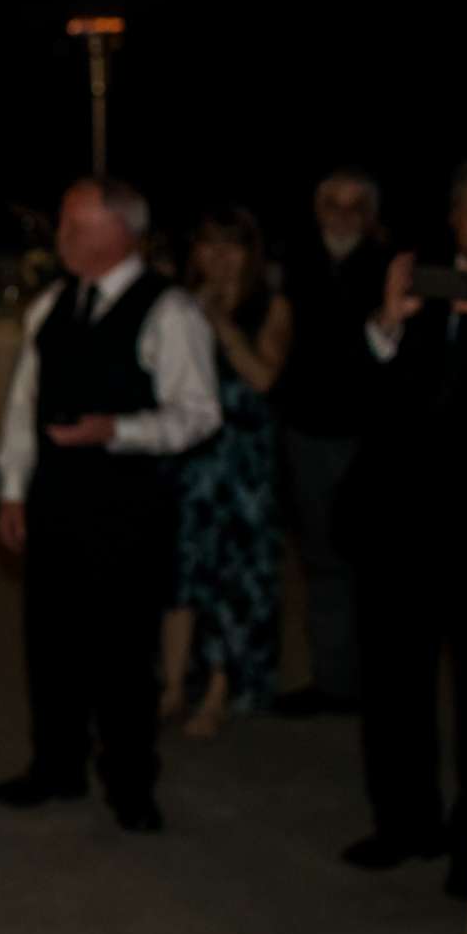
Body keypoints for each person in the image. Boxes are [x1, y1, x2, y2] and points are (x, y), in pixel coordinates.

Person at [0, 178, 221, 832]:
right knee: (51, 637)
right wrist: (13, 487)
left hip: (128, 502)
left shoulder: (168, 311)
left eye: (74, 225)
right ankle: (55, 764)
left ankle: (130, 780)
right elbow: (21, 404)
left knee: (122, 647)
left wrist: (119, 430)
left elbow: (199, 414)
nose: (60, 237)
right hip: (56, 494)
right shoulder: (53, 305)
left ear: (119, 232)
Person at [342, 153, 467, 897]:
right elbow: (345, 400)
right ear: (454, 218)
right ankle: (404, 822)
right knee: (393, 685)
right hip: (400, 527)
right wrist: (385, 326)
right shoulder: (409, 279)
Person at [159, 207, 290, 738]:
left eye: (231, 245)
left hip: (243, 463)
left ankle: (218, 689)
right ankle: (171, 686)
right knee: (180, 570)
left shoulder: (272, 306)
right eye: (208, 243)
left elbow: (262, 377)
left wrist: (220, 324)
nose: (219, 256)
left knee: (233, 578)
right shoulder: (175, 303)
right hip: (189, 458)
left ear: (249, 253)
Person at [271, 170, 389, 717]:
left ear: (369, 215)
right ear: (317, 211)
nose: (342, 216)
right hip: (307, 428)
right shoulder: (297, 262)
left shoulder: (391, 267)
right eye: (332, 206)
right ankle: (332, 681)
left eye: (354, 207)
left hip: (370, 435)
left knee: (372, 559)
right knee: (320, 559)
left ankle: (376, 680)